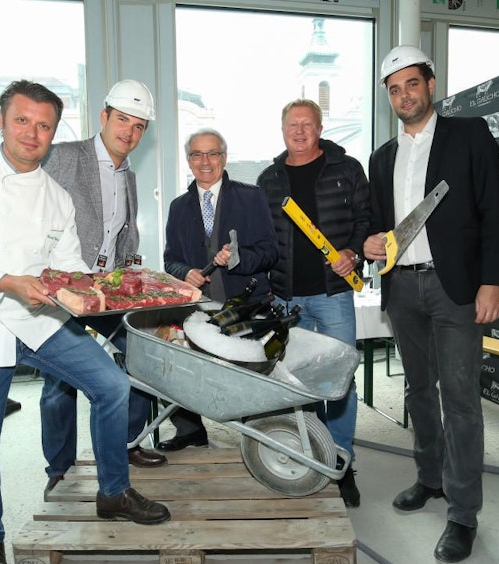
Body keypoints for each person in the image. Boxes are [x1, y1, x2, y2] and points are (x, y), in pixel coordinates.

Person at [0, 80, 170, 564]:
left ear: (54, 132)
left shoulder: (55, 196)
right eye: (22, 121)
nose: (32, 133)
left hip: (37, 318)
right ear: (2, 122)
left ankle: (113, 492)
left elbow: (69, 264)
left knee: (111, 385)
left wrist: (118, 287)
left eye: (44, 125)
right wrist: (6, 281)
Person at [363, 46, 499, 563]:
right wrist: (368, 242)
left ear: (430, 84)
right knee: (419, 390)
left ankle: (463, 512)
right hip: (402, 288)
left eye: (412, 84)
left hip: (456, 288)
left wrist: (492, 282)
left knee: (461, 399)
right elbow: (376, 224)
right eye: (394, 89)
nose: (404, 95)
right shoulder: (382, 157)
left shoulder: (469, 135)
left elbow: (495, 212)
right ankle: (430, 478)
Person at [39, 79, 166, 491]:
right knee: (59, 381)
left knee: (141, 355)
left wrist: (132, 275)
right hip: (65, 286)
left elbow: (123, 235)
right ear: (104, 116)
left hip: (106, 289)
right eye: (123, 120)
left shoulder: (128, 175)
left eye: (139, 125)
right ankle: (59, 468)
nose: (129, 131)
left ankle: (126, 443)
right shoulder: (64, 157)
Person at [256, 99, 369, 508]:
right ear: (282, 129)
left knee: (340, 378)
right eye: (293, 124)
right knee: (298, 380)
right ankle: (311, 451)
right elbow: (262, 238)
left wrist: (353, 252)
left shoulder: (347, 168)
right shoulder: (269, 179)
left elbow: (366, 221)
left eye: (307, 124)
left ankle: (341, 461)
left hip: (333, 294)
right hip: (286, 298)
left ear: (320, 129)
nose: (300, 131)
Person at [159, 128, 279, 450]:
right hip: (198, 308)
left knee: (249, 374)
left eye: (213, 153)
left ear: (224, 158)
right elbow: (170, 260)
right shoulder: (178, 207)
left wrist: (239, 258)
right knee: (182, 369)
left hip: (246, 303)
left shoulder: (251, 197)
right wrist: (186, 272)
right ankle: (190, 430)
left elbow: (270, 251)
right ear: (188, 160)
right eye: (197, 154)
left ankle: (260, 437)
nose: (205, 161)